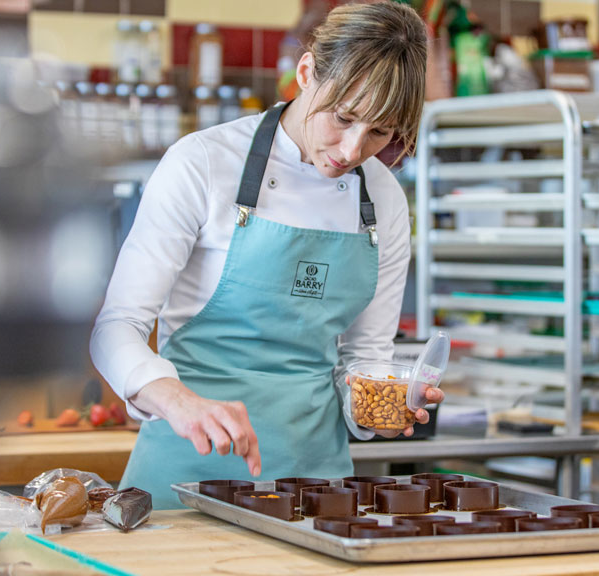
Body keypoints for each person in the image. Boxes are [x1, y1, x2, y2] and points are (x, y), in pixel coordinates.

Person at [90, 1, 441, 509]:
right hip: (181, 486)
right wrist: (178, 401)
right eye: (343, 117)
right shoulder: (203, 164)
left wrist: (381, 405)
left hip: (317, 493)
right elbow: (115, 327)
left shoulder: (383, 200)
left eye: (380, 133)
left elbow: (365, 358)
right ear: (305, 72)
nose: (350, 149)